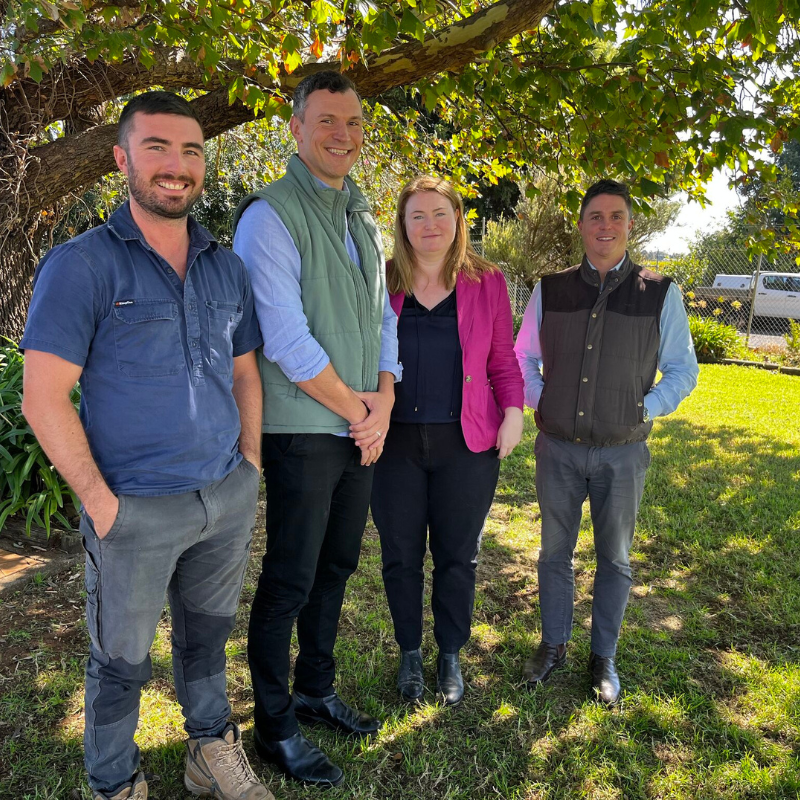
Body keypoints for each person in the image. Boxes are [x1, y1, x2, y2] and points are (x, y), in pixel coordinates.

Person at [20, 92, 271, 800]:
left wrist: (248, 465)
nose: (177, 165)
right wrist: (101, 503)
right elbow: (42, 397)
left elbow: (245, 370)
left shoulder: (226, 267)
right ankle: (112, 782)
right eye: (157, 146)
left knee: (207, 637)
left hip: (222, 497)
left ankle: (209, 751)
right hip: (132, 509)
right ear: (121, 158)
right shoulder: (82, 266)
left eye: (191, 150)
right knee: (120, 660)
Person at [232, 71, 401, 787]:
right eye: (327, 120)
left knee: (336, 568)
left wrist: (385, 400)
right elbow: (284, 338)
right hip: (306, 429)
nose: (344, 135)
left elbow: (382, 320)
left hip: (361, 426)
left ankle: (314, 690)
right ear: (296, 128)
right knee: (290, 579)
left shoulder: (362, 215)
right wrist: (361, 409)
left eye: (355, 122)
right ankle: (273, 726)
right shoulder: (269, 215)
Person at [514, 179, 699, 705]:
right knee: (554, 553)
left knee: (614, 557)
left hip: (623, 453)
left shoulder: (659, 293)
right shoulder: (550, 289)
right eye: (595, 216)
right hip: (559, 449)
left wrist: (646, 408)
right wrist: (539, 400)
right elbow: (522, 356)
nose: (605, 226)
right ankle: (553, 646)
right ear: (580, 224)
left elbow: (684, 370)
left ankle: (604, 657)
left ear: (629, 225)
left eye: (616, 216)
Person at [371, 176, 524, 707]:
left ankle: (450, 653)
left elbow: (503, 359)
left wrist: (513, 413)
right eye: (417, 215)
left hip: (468, 442)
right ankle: (410, 653)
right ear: (403, 224)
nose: (429, 225)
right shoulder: (381, 279)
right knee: (400, 555)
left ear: (458, 219)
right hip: (393, 445)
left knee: (458, 556)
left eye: (440, 213)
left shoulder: (487, 281)